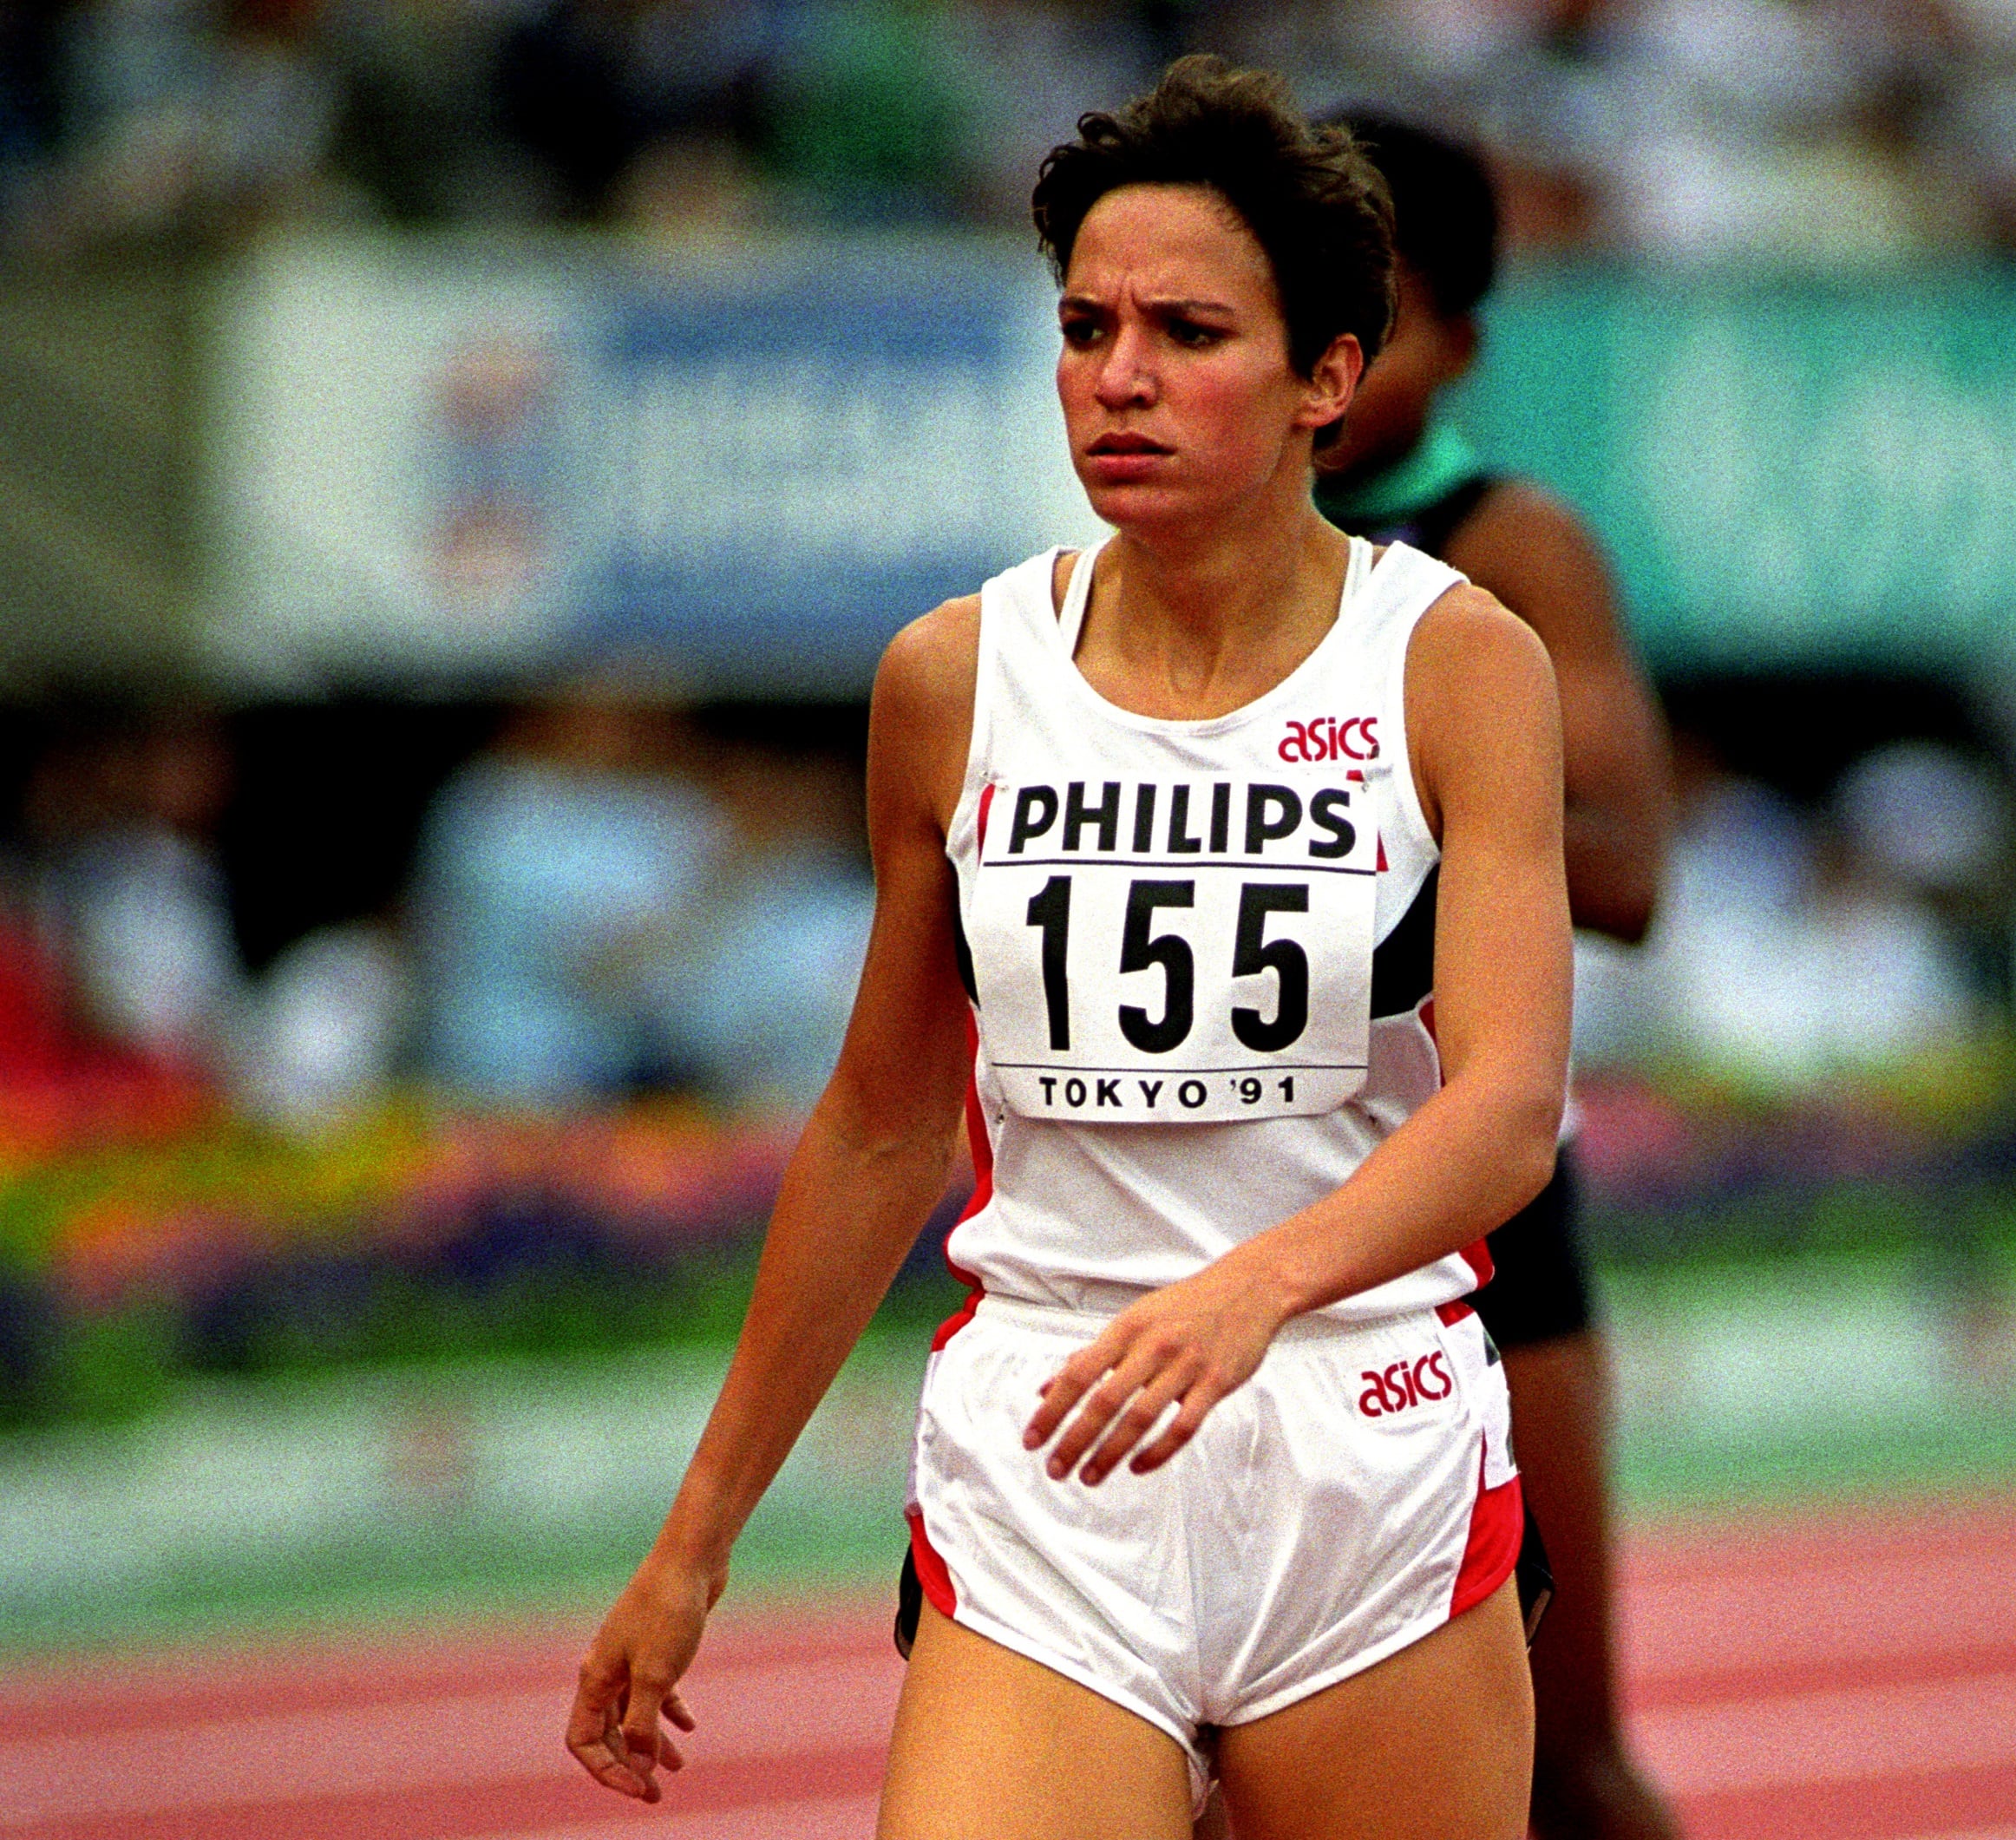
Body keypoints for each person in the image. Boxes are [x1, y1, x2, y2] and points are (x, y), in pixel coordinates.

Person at [565, 56, 1573, 1840]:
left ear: (1326, 377)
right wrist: (693, 1538)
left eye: (1189, 330)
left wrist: (1257, 1284)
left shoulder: (1453, 661)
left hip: (1360, 1429)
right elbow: (879, 1128)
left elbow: (1506, 1106)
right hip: (1055, 1444)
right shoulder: (955, 679)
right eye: (1090, 324)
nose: (1121, 374)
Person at [1313, 114, 1679, 1840]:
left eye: (1370, 306)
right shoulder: (1165, 553)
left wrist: (1392, 768)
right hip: (1241, 1211)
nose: (1328, 342)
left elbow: (1630, 874)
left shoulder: (1510, 547)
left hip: (1483, 1217)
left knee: (1564, 1775)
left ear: (1459, 337)